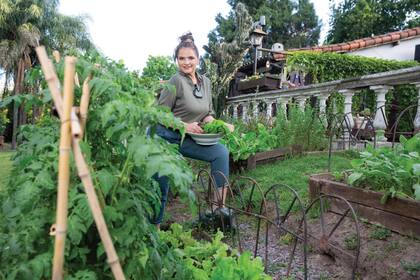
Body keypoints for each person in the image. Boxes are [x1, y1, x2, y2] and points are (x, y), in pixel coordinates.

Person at [153, 32, 234, 228]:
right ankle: (153, 227)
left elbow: (207, 113)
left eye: (190, 58)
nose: (186, 62)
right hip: (166, 136)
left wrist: (219, 124)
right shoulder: (175, 81)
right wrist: (183, 125)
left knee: (221, 153)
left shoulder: (205, 82)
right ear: (176, 60)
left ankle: (218, 211)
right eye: (181, 58)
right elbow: (160, 114)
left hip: (189, 137)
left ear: (198, 59)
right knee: (159, 182)